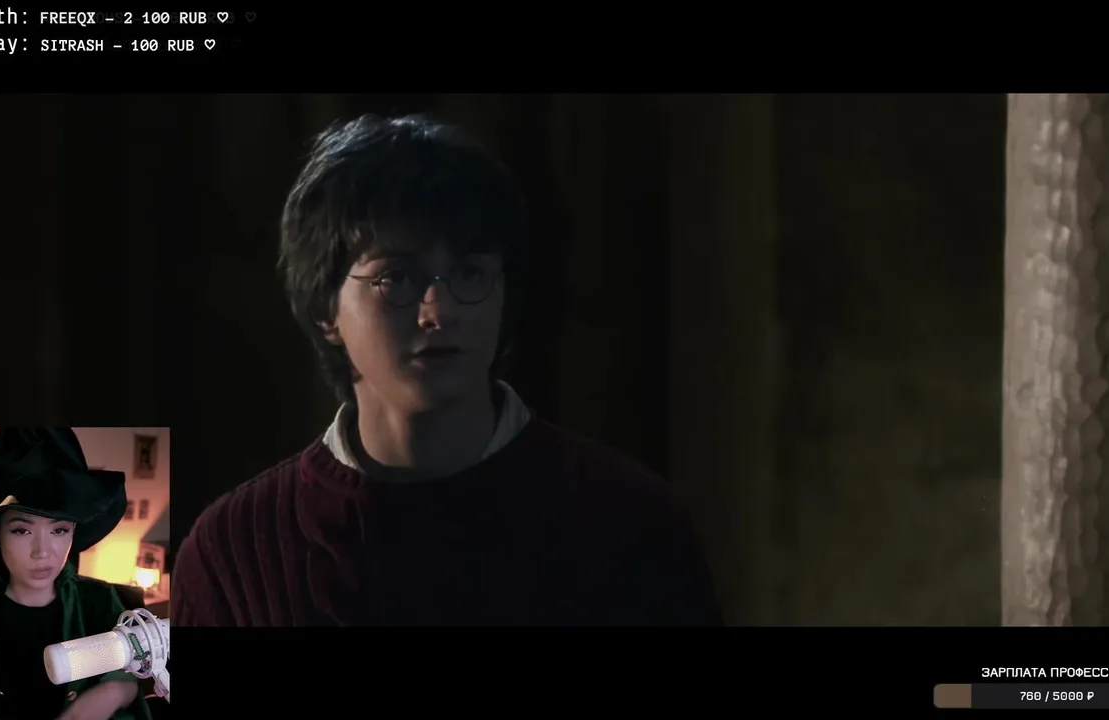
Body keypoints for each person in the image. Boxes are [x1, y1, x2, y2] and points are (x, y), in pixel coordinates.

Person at [173, 114, 723, 626]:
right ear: (325, 309)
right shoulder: (234, 554)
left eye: (470, 273)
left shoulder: (630, 526)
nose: (439, 311)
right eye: (396, 277)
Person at [0, 428, 151, 720]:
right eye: (22, 530)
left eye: (59, 530)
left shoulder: (99, 603)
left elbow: (128, 671)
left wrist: (116, 690)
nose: (43, 552)